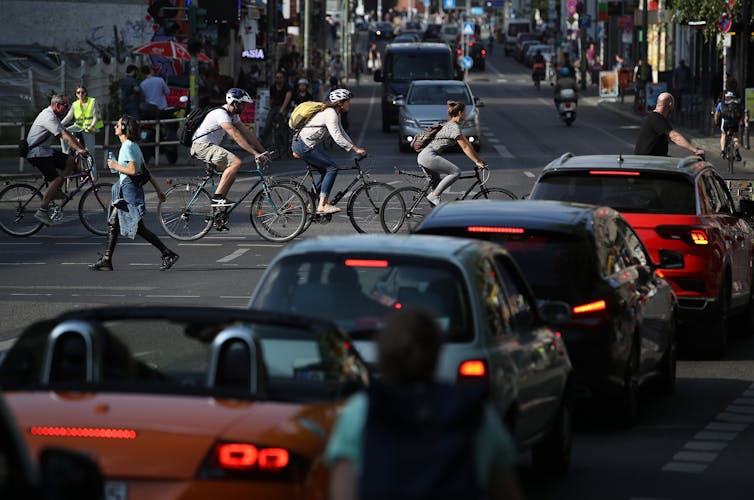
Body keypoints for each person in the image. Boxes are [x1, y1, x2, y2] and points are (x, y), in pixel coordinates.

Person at [325, 308, 523, 500]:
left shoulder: (361, 412)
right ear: (436, 353)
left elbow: (343, 490)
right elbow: (506, 490)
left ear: (384, 352)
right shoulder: (473, 411)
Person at [90, 115, 179, 271]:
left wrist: (115, 166)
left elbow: (132, 170)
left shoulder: (128, 147)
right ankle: (107, 258)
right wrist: (158, 190)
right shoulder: (133, 146)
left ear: (124, 128)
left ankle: (167, 253)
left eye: (117, 125)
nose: (115, 127)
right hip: (125, 188)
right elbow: (146, 171)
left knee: (137, 227)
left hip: (129, 189)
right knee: (113, 223)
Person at [290, 88, 366, 215]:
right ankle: (323, 205)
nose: (349, 103)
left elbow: (342, 132)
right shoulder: (330, 113)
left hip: (305, 144)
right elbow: (337, 137)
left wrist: (355, 147)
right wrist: (355, 149)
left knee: (326, 169)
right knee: (332, 168)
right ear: (340, 103)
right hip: (303, 145)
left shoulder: (336, 113)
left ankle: (310, 202)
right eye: (348, 101)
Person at [190, 88, 268, 210]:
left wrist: (262, 151)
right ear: (235, 103)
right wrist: (254, 153)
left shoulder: (233, 115)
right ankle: (217, 199)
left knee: (230, 174)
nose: (245, 107)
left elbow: (247, 133)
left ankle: (216, 214)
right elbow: (236, 136)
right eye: (243, 104)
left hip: (209, 146)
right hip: (202, 146)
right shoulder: (222, 114)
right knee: (236, 163)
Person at [26, 94, 89, 226]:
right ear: (57, 105)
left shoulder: (54, 116)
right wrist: (78, 150)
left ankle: (56, 191)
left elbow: (67, 132)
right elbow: (64, 136)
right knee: (56, 179)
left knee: (70, 160)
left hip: (45, 151)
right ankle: (42, 210)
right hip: (37, 153)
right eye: (66, 106)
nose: (67, 109)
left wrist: (83, 149)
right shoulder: (48, 117)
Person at [418, 100, 487, 206]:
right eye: (465, 112)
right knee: (456, 172)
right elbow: (464, 147)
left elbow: (467, 144)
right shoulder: (453, 127)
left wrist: (478, 159)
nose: (466, 114)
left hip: (426, 155)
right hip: (429, 156)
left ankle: (437, 215)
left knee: (436, 187)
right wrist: (476, 162)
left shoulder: (453, 125)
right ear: (460, 113)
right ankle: (434, 196)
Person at [634, 92, 704, 157]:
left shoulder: (653, 117)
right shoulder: (657, 119)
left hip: (651, 159)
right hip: (648, 162)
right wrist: (695, 150)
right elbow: (674, 137)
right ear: (670, 105)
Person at [60, 85, 102, 169]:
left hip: (89, 128)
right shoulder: (75, 104)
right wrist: (59, 125)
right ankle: (65, 152)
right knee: (62, 132)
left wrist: (92, 126)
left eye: (82, 92)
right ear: (76, 94)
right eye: (78, 92)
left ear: (86, 93)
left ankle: (93, 176)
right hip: (78, 127)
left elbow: (95, 117)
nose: (81, 94)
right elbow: (68, 117)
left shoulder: (92, 102)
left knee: (90, 152)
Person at [260, 71, 293, 145]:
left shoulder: (287, 87)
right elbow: (271, 98)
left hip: (284, 107)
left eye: (280, 78)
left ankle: (281, 141)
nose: (279, 79)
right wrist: (270, 107)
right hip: (275, 107)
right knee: (268, 122)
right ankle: (264, 140)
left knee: (281, 123)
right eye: (277, 78)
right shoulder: (273, 87)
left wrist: (282, 110)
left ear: (283, 78)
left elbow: (287, 100)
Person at [715, 90, 743, 161]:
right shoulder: (736, 103)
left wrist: (716, 123)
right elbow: (740, 113)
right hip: (735, 122)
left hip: (726, 123)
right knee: (736, 136)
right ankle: (736, 151)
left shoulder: (721, 104)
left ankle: (722, 151)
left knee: (723, 134)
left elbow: (716, 115)